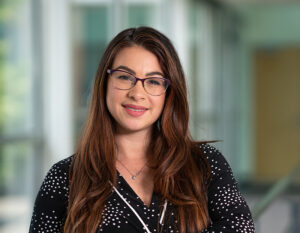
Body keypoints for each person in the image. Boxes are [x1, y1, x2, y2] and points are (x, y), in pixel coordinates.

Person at [29, 26, 255, 233]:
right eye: (125, 77)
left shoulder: (205, 163)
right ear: (104, 83)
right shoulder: (64, 177)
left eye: (154, 81)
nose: (137, 93)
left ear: (169, 93)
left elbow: (240, 227)